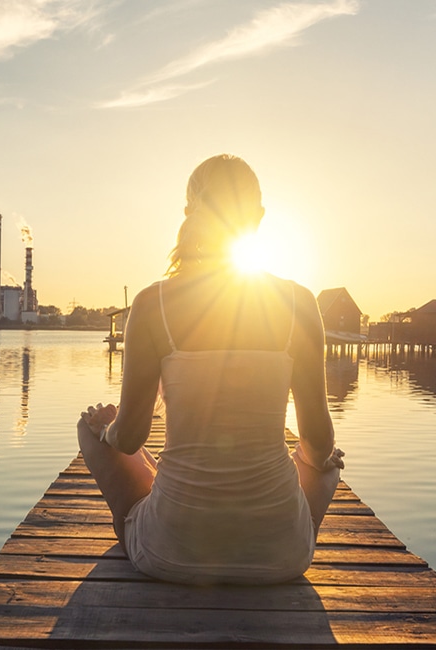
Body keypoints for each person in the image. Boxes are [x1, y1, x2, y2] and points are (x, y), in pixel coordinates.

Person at [76, 154, 344, 585]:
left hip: (170, 550)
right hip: (282, 556)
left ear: (189, 212)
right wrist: (309, 459)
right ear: (258, 218)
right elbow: (318, 439)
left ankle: (133, 525)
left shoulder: (151, 304)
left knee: (90, 435)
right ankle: (275, 524)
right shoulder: (300, 302)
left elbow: (129, 439)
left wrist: (105, 430)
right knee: (328, 462)